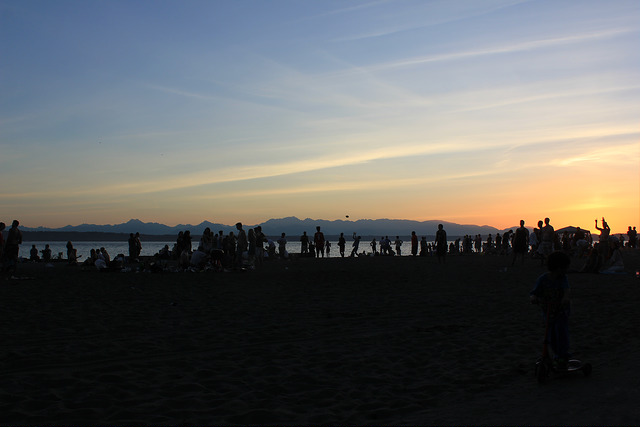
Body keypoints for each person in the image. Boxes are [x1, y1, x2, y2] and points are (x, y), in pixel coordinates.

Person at [529, 251, 572, 369]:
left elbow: (566, 291)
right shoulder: (543, 279)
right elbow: (534, 292)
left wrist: (565, 298)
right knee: (550, 334)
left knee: (561, 333)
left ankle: (562, 355)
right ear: (559, 268)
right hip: (548, 311)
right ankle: (552, 355)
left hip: (561, 311)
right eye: (565, 267)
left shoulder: (563, 279)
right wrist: (533, 298)